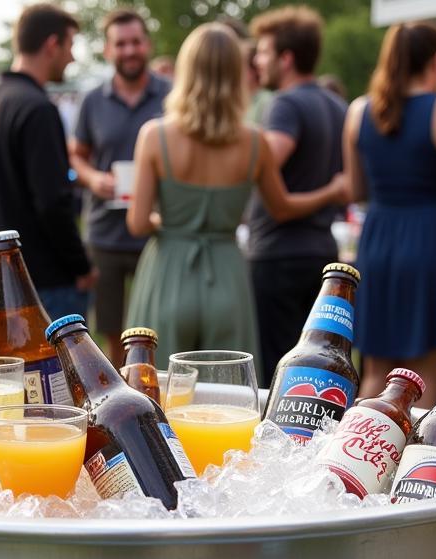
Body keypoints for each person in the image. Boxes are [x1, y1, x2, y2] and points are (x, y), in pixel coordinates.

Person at [125, 23, 346, 364]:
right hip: (227, 275)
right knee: (228, 397)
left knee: (157, 393)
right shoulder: (255, 142)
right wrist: (330, 190)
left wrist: (168, 221)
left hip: (168, 271)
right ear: (238, 73)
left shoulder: (155, 136)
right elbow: (282, 207)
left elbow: (138, 223)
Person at [342, 22, 436, 404]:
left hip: (378, 240)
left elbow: (355, 191)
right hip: (430, 241)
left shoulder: (359, 111)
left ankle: (358, 459)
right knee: (424, 380)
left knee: (374, 373)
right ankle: (415, 463)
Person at [0, 3, 95, 318]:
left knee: (8, 369)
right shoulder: (38, 109)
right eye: (70, 45)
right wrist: (81, 265)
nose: (72, 57)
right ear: (52, 44)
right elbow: (52, 201)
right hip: (42, 279)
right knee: (60, 369)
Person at [245, 6, 348, 388]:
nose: (257, 61)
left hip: (278, 256)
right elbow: (349, 184)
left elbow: (264, 164)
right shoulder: (338, 105)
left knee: (280, 373)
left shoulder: (285, 105)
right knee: (320, 368)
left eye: (264, 52)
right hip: (322, 254)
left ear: (286, 59)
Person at [70, 9, 170, 357]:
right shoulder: (93, 100)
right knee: (113, 334)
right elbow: (76, 154)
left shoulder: (172, 96)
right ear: (108, 50)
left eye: (136, 42)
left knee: (158, 332)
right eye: (121, 43)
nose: (129, 50)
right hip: (106, 234)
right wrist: (93, 178)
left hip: (158, 231)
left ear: (148, 44)